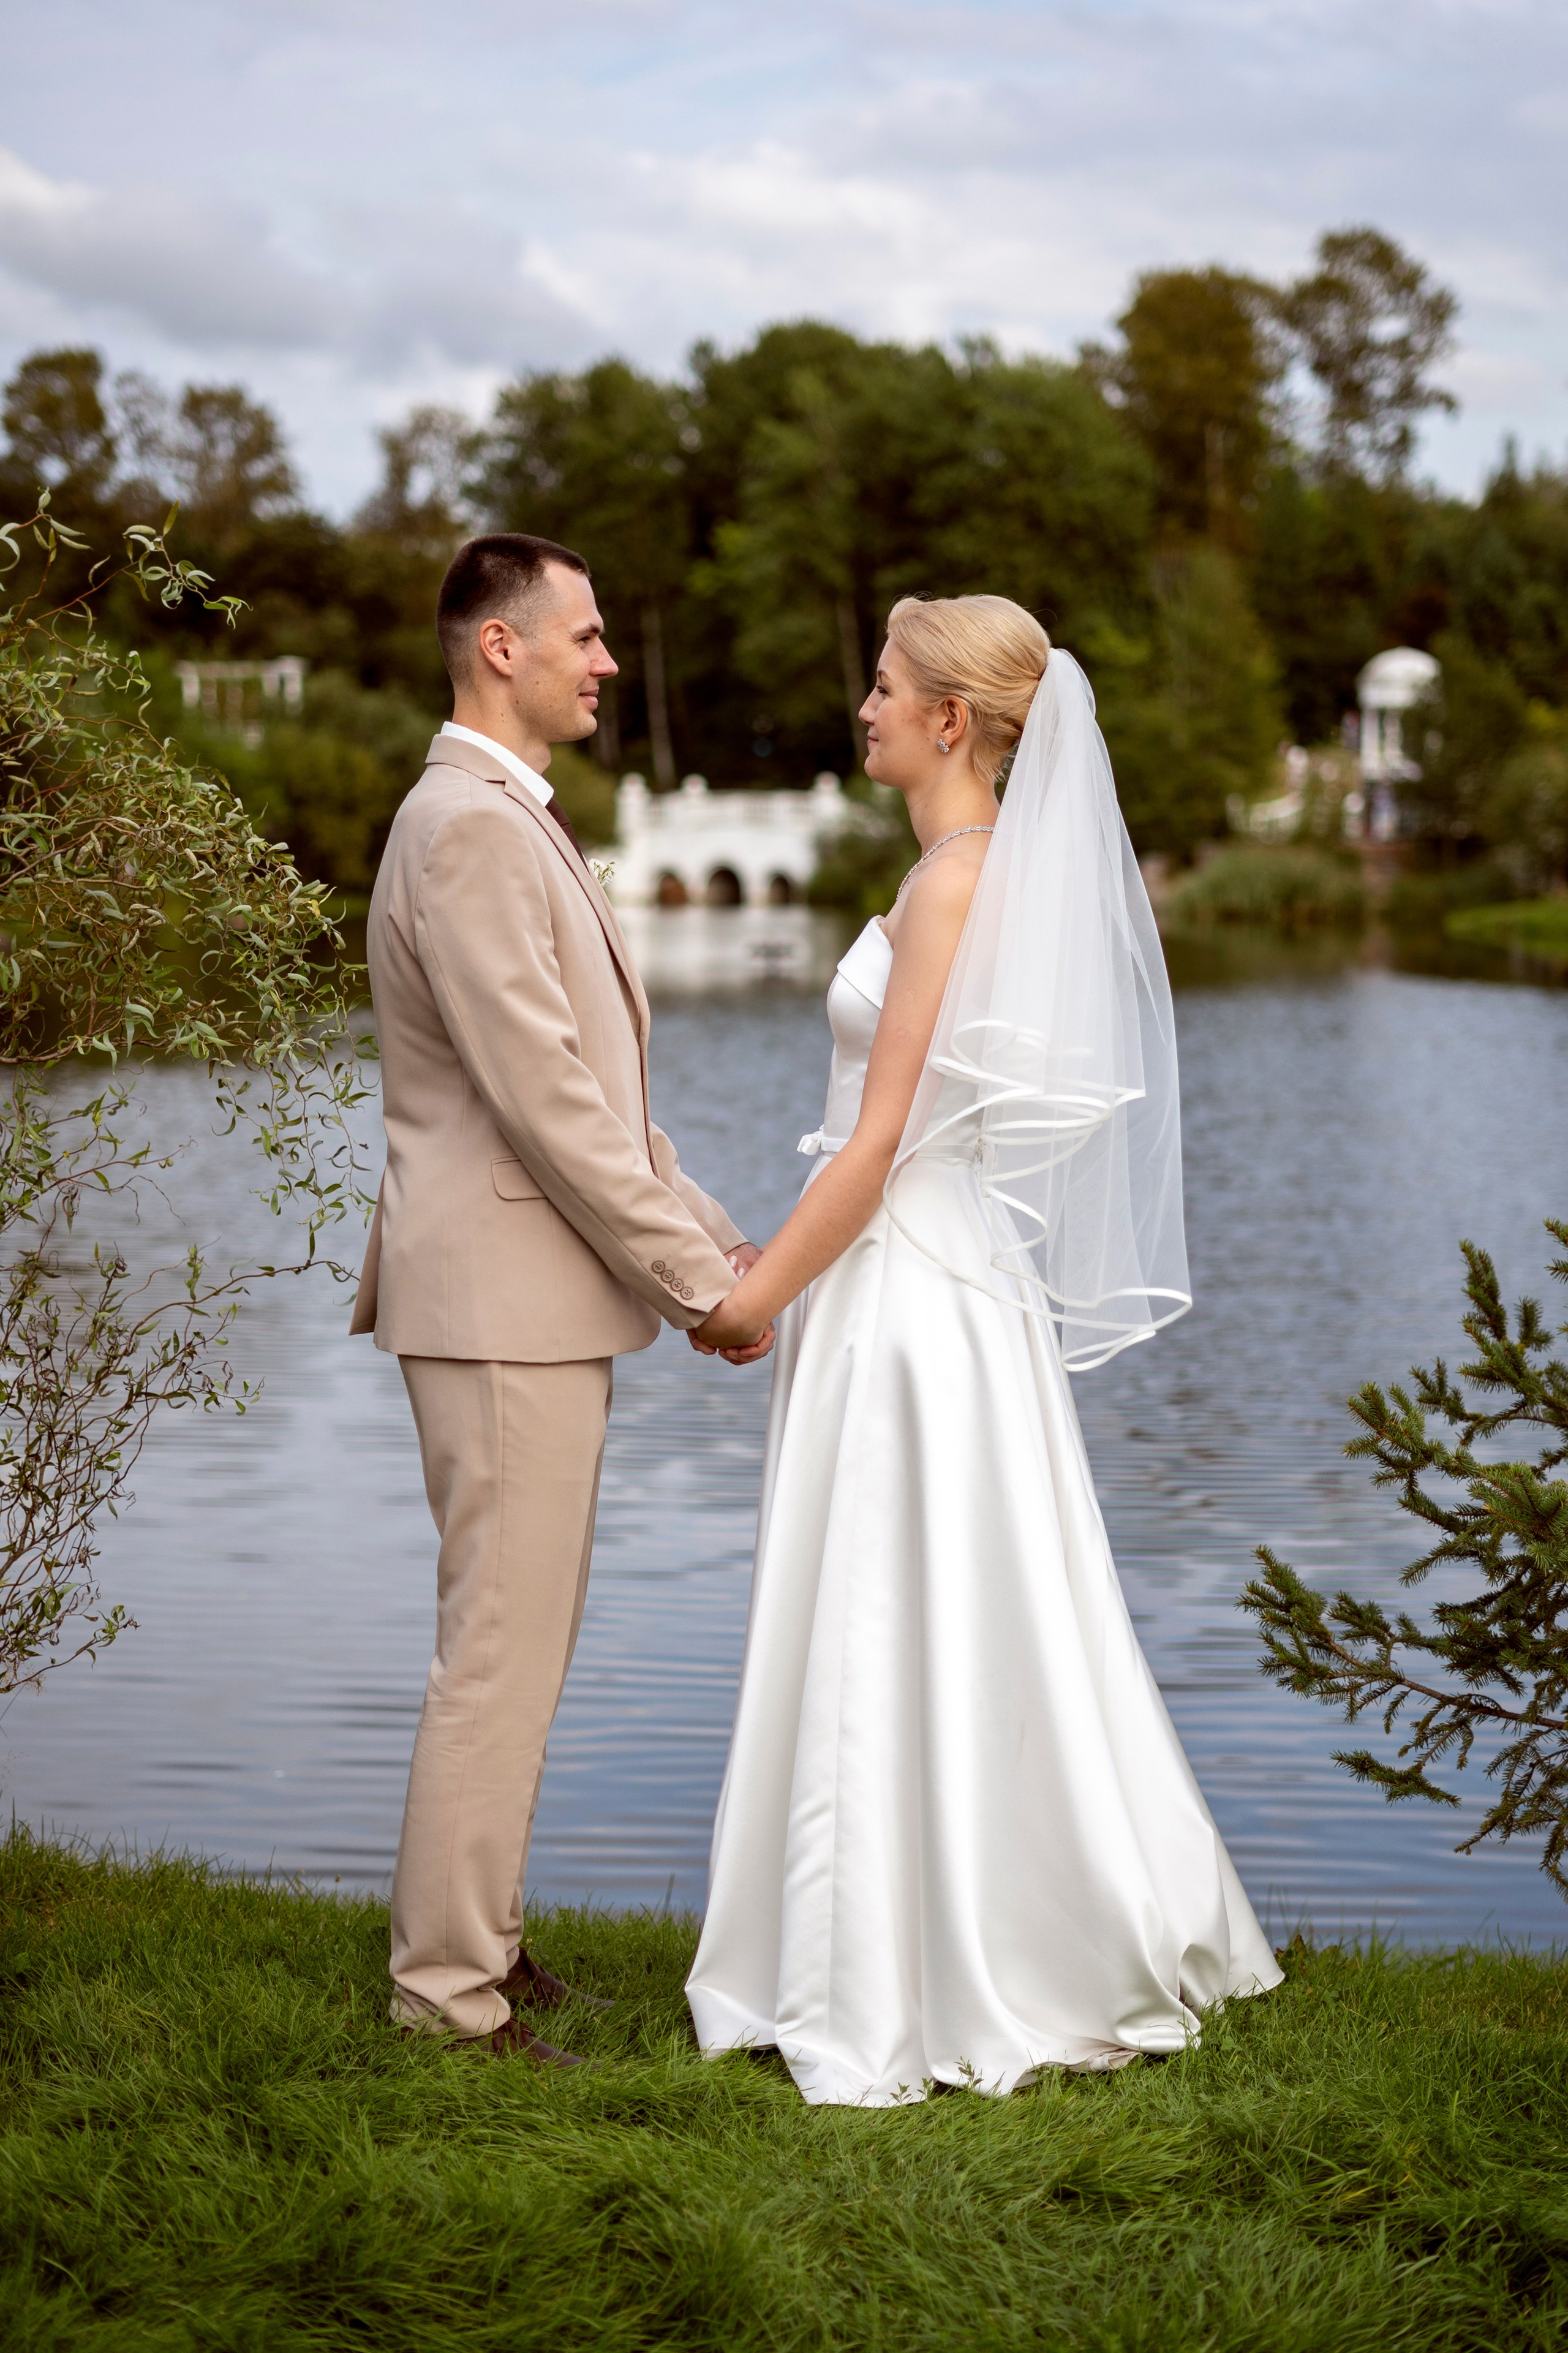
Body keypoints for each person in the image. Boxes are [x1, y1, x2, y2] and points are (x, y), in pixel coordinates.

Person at [684, 594, 1281, 2104]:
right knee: (958, 1607)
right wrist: (778, 1255)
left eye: (885, 687)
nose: (864, 706)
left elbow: (882, 1144)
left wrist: (755, 1299)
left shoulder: (956, 885)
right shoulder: (970, 872)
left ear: (950, 721)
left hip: (907, 1297)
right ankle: (935, 1919)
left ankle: (898, 1962)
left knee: (895, 1607)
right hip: (922, 1283)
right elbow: (877, 1140)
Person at [351, 533, 772, 2064]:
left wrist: (726, 1249)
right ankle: (447, 1999)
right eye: (583, 635)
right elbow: (546, 1106)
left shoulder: (511, 820)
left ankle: (488, 1948)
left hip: (531, 1301)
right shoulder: (463, 829)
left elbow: (608, 1096)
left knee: (521, 1638)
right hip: (497, 1306)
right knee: (498, 1649)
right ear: (498, 648)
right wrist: (698, 1289)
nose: (603, 659)